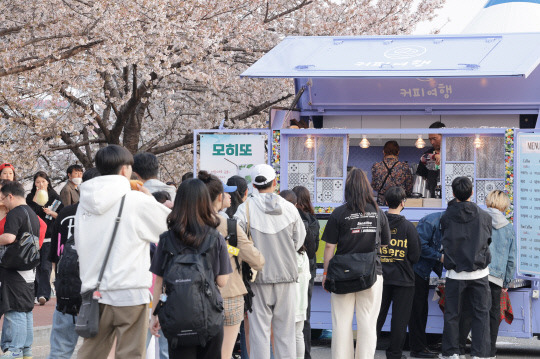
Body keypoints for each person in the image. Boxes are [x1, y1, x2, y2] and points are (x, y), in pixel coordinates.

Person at [75, 145, 170, 358]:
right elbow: (171, 229)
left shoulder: (84, 203)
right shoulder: (136, 200)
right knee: (130, 354)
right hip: (129, 291)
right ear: (126, 170)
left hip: (94, 292)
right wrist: (149, 197)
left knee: (91, 353)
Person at [149, 178, 232, 359]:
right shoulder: (215, 237)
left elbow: (158, 283)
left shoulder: (166, 239)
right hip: (209, 318)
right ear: (205, 203)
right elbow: (222, 281)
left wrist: (154, 315)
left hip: (176, 317)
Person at [234, 164, 306, 359]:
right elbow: (299, 239)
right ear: (275, 183)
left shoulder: (244, 209)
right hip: (286, 276)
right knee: (286, 333)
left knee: (259, 333)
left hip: (257, 278)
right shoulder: (290, 208)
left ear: (254, 186)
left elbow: (235, 241)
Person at [321, 168, 391, 359]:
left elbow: (329, 246)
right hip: (371, 273)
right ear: (367, 187)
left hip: (341, 274)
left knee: (341, 322)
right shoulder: (378, 212)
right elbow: (384, 243)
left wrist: (326, 274)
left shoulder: (339, 213)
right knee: (368, 322)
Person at [198, 171, 264, 359]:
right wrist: (233, 251)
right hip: (229, 293)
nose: (229, 196)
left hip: (198, 295)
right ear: (219, 197)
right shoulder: (229, 225)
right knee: (224, 353)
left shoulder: (191, 222)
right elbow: (257, 260)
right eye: (226, 192)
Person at [47, 168, 100, 359]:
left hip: (66, 291)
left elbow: (56, 254)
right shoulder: (107, 214)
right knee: (96, 350)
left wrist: (60, 283)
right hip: (95, 293)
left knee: (60, 349)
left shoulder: (66, 213)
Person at [459, 190, 516, 358]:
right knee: (493, 315)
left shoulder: (478, 218)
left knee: (468, 311)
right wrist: (506, 281)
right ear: (505, 205)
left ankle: (459, 349)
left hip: (476, 272)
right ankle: (489, 352)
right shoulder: (508, 228)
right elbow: (511, 257)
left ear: (489, 200)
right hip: (496, 277)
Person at [440, 177, 492, 359]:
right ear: (472, 192)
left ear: (453, 194)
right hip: (480, 272)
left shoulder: (446, 216)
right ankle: (479, 354)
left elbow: (444, 241)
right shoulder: (484, 216)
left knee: (452, 314)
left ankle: (451, 352)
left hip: (455, 273)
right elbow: (488, 241)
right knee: (481, 314)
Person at [376, 186, 420, 359]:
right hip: (404, 280)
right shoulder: (409, 227)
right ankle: (394, 354)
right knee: (399, 321)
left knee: (376, 318)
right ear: (403, 203)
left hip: (380, 278)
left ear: (386, 202)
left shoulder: (378, 224)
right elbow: (415, 256)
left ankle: (366, 351)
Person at [0, 181, 41, 359]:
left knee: (15, 310)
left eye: (3, 199)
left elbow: (9, 238)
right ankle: (26, 351)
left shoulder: (15, 213)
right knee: (25, 310)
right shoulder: (31, 213)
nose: (3, 203)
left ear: (10, 196)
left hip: (14, 268)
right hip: (29, 268)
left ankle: (15, 351)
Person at [408, 209, 446, 359]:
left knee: (421, 310)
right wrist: (440, 258)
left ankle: (421, 346)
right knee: (417, 311)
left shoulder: (447, 221)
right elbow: (420, 246)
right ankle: (417, 349)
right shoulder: (431, 221)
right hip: (415, 270)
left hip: (423, 271)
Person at [279, 190, 311, 359]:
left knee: (286, 333)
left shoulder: (279, 223)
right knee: (298, 332)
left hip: (287, 295)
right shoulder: (302, 254)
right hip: (300, 296)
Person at [26, 171, 63, 306]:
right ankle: (35, 293)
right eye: (37, 182)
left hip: (49, 236)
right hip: (34, 236)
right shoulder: (30, 197)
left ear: (48, 181)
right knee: (35, 266)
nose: (40, 184)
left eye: (43, 181)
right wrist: (36, 196)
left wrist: (51, 212)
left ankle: (43, 294)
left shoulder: (54, 196)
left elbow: (60, 216)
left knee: (46, 266)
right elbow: (29, 213)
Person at [291, 185, 320, 359]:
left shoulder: (287, 217)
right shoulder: (313, 220)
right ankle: (305, 354)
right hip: (307, 271)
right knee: (304, 315)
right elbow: (314, 249)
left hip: (288, 270)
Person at [371, 141, 413, 206]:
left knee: (383, 216)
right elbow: (409, 188)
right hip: (398, 202)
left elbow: (374, 186)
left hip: (382, 202)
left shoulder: (376, 166)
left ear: (383, 152)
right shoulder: (404, 166)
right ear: (398, 152)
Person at [416, 122, 445, 198]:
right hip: (431, 196)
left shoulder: (452, 153)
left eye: (434, 139)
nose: (432, 142)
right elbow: (421, 176)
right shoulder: (427, 154)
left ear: (443, 136)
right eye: (430, 139)